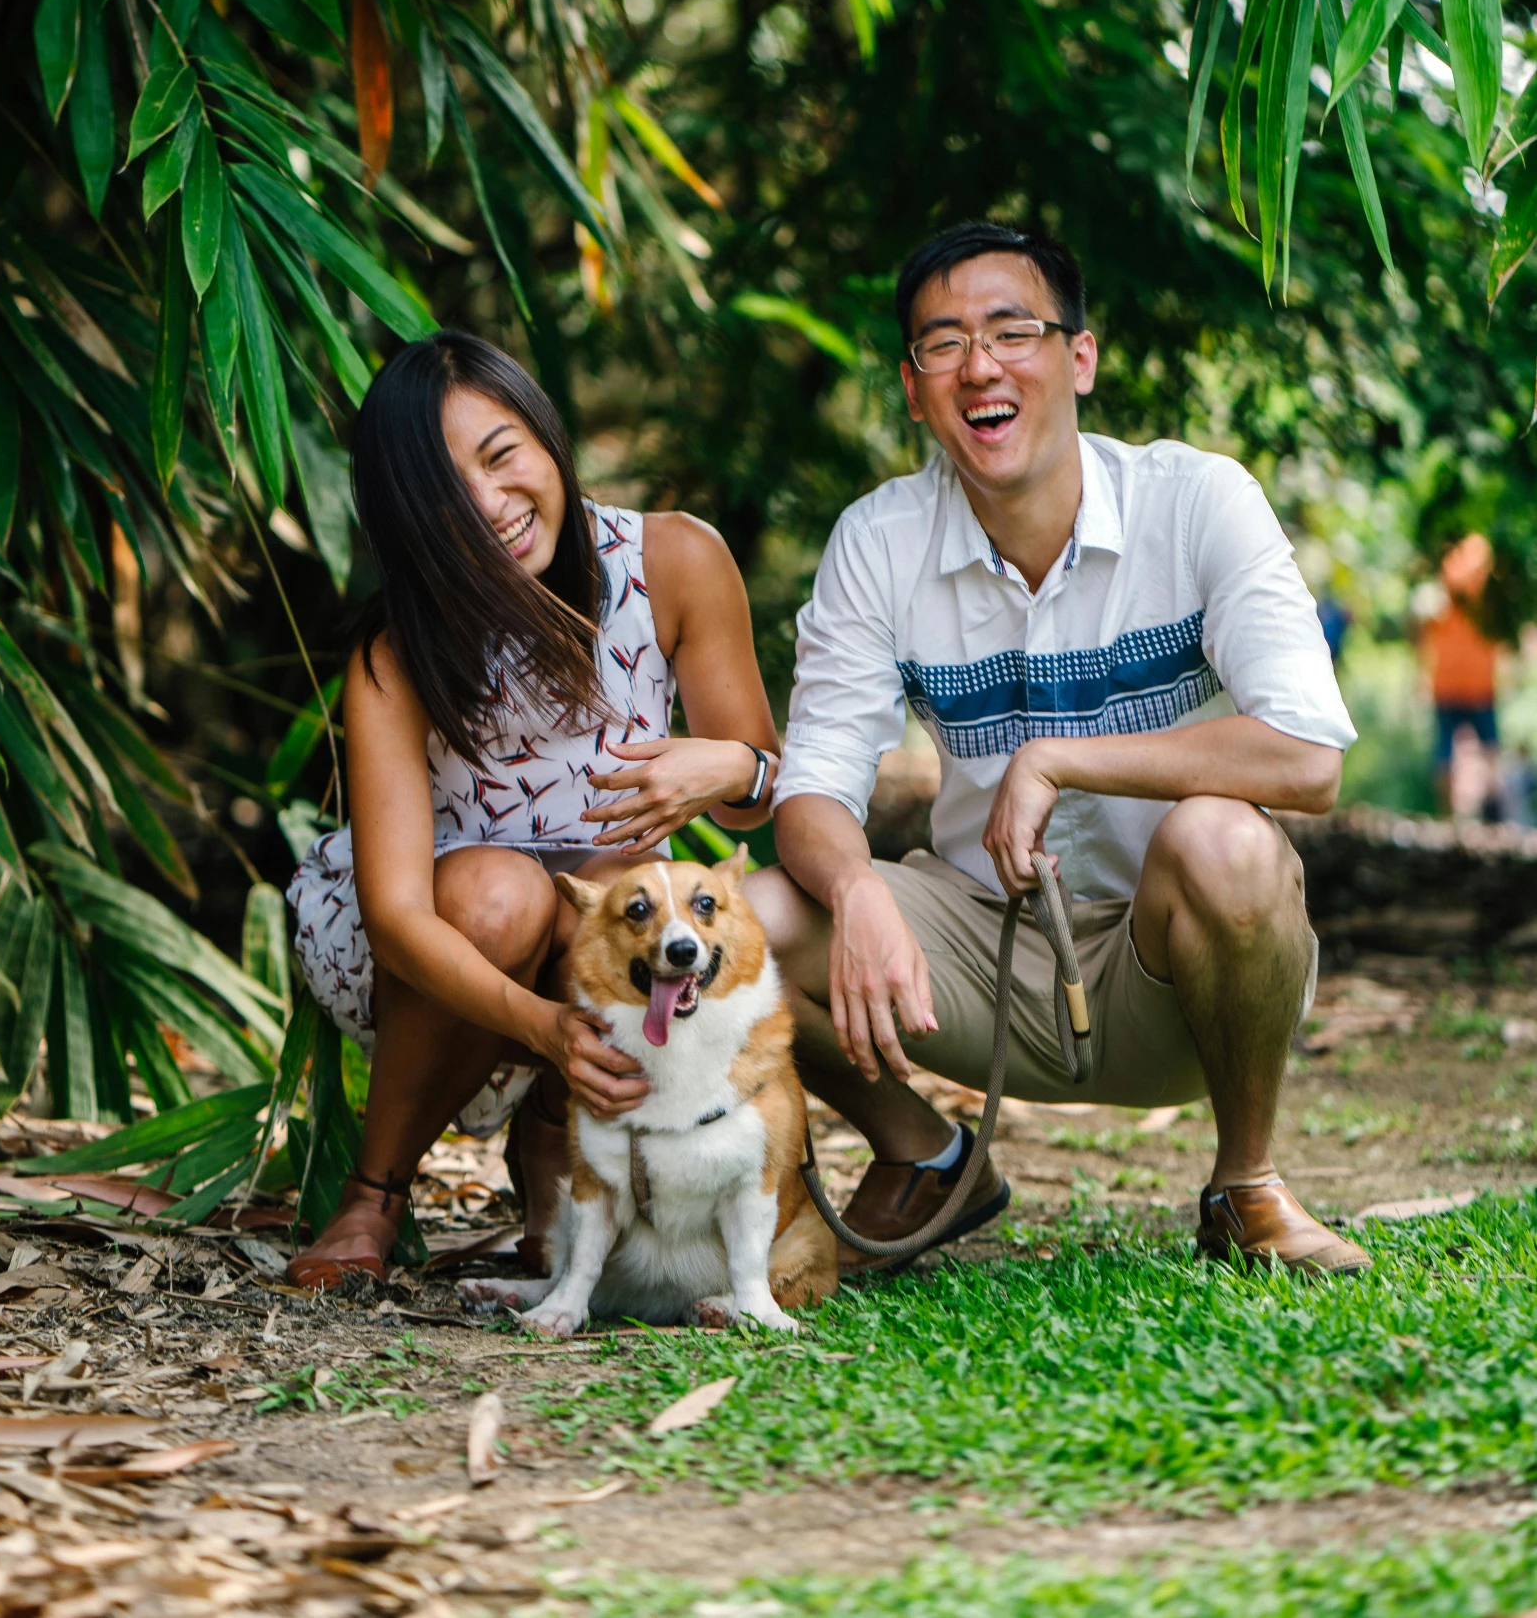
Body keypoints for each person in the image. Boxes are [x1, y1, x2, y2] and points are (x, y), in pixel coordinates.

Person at [751, 221, 1368, 1278]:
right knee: (750, 918)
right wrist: (854, 891)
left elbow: (1307, 753)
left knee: (1226, 843)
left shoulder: (1196, 501)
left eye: (1011, 331)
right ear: (912, 387)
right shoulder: (879, 540)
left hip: (1172, 963)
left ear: (1077, 358)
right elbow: (811, 788)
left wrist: (1062, 759)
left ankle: (1244, 1183)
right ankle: (926, 1154)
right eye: (942, 344)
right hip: (977, 962)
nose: (979, 366)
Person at [285, 332, 780, 1288]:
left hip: (600, 931)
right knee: (504, 893)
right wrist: (536, 1023)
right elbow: (395, 917)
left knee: (618, 896)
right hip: (432, 944)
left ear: (547, 436)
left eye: (502, 455)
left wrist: (719, 768)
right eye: (444, 496)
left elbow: (761, 789)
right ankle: (375, 1191)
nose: (491, 507)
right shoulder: (398, 650)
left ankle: (551, 1145)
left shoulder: (673, 560)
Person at [1418, 534, 1501, 817]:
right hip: (1462, 687)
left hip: (1468, 687)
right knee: (1472, 751)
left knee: (1469, 752)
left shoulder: (1478, 608)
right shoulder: (1450, 607)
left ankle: (1467, 813)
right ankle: (1460, 814)